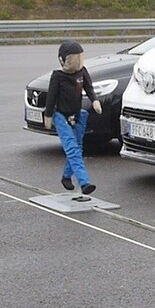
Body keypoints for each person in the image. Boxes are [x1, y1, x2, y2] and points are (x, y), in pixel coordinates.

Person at [43, 40, 102, 201]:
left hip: (78, 115)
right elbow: (51, 97)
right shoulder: (58, 76)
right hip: (60, 117)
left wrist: (95, 101)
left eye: (79, 58)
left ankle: (66, 177)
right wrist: (48, 116)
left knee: (78, 147)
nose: (77, 62)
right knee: (72, 149)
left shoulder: (82, 72)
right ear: (63, 60)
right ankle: (84, 183)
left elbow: (89, 88)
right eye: (73, 59)